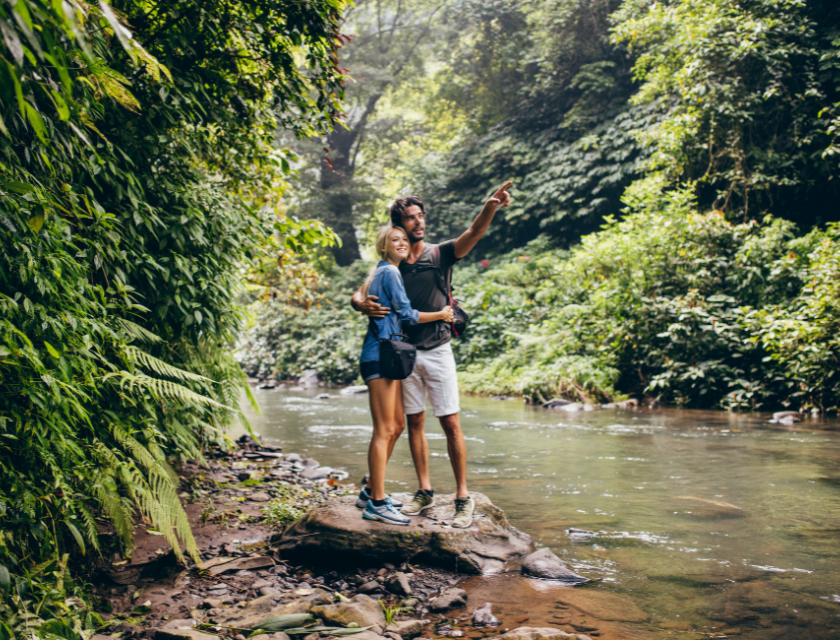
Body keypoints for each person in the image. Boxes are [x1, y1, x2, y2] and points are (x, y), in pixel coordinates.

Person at [351, 182, 513, 528]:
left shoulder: (440, 254)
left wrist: (491, 207)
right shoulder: (392, 260)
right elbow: (361, 291)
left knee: (450, 421)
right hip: (402, 353)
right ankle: (423, 490)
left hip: (438, 349)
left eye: (421, 216)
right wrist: (360, 303)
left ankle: (462, 496)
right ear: (398, 226)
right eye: (410, 219)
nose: (418, 223)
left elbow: (474, 232)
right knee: (413, 423)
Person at [357, 224, 454, 525]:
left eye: (403, 239)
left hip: (387, 355)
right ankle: (375, 503)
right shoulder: (389, 272)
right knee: (384, 430)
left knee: (398, 424)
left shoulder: (380, 271)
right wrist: (442, 314)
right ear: (382, 246)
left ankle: (372, 491)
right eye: (393, 240)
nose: (400, 243)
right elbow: (407, 313)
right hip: (380, 355)